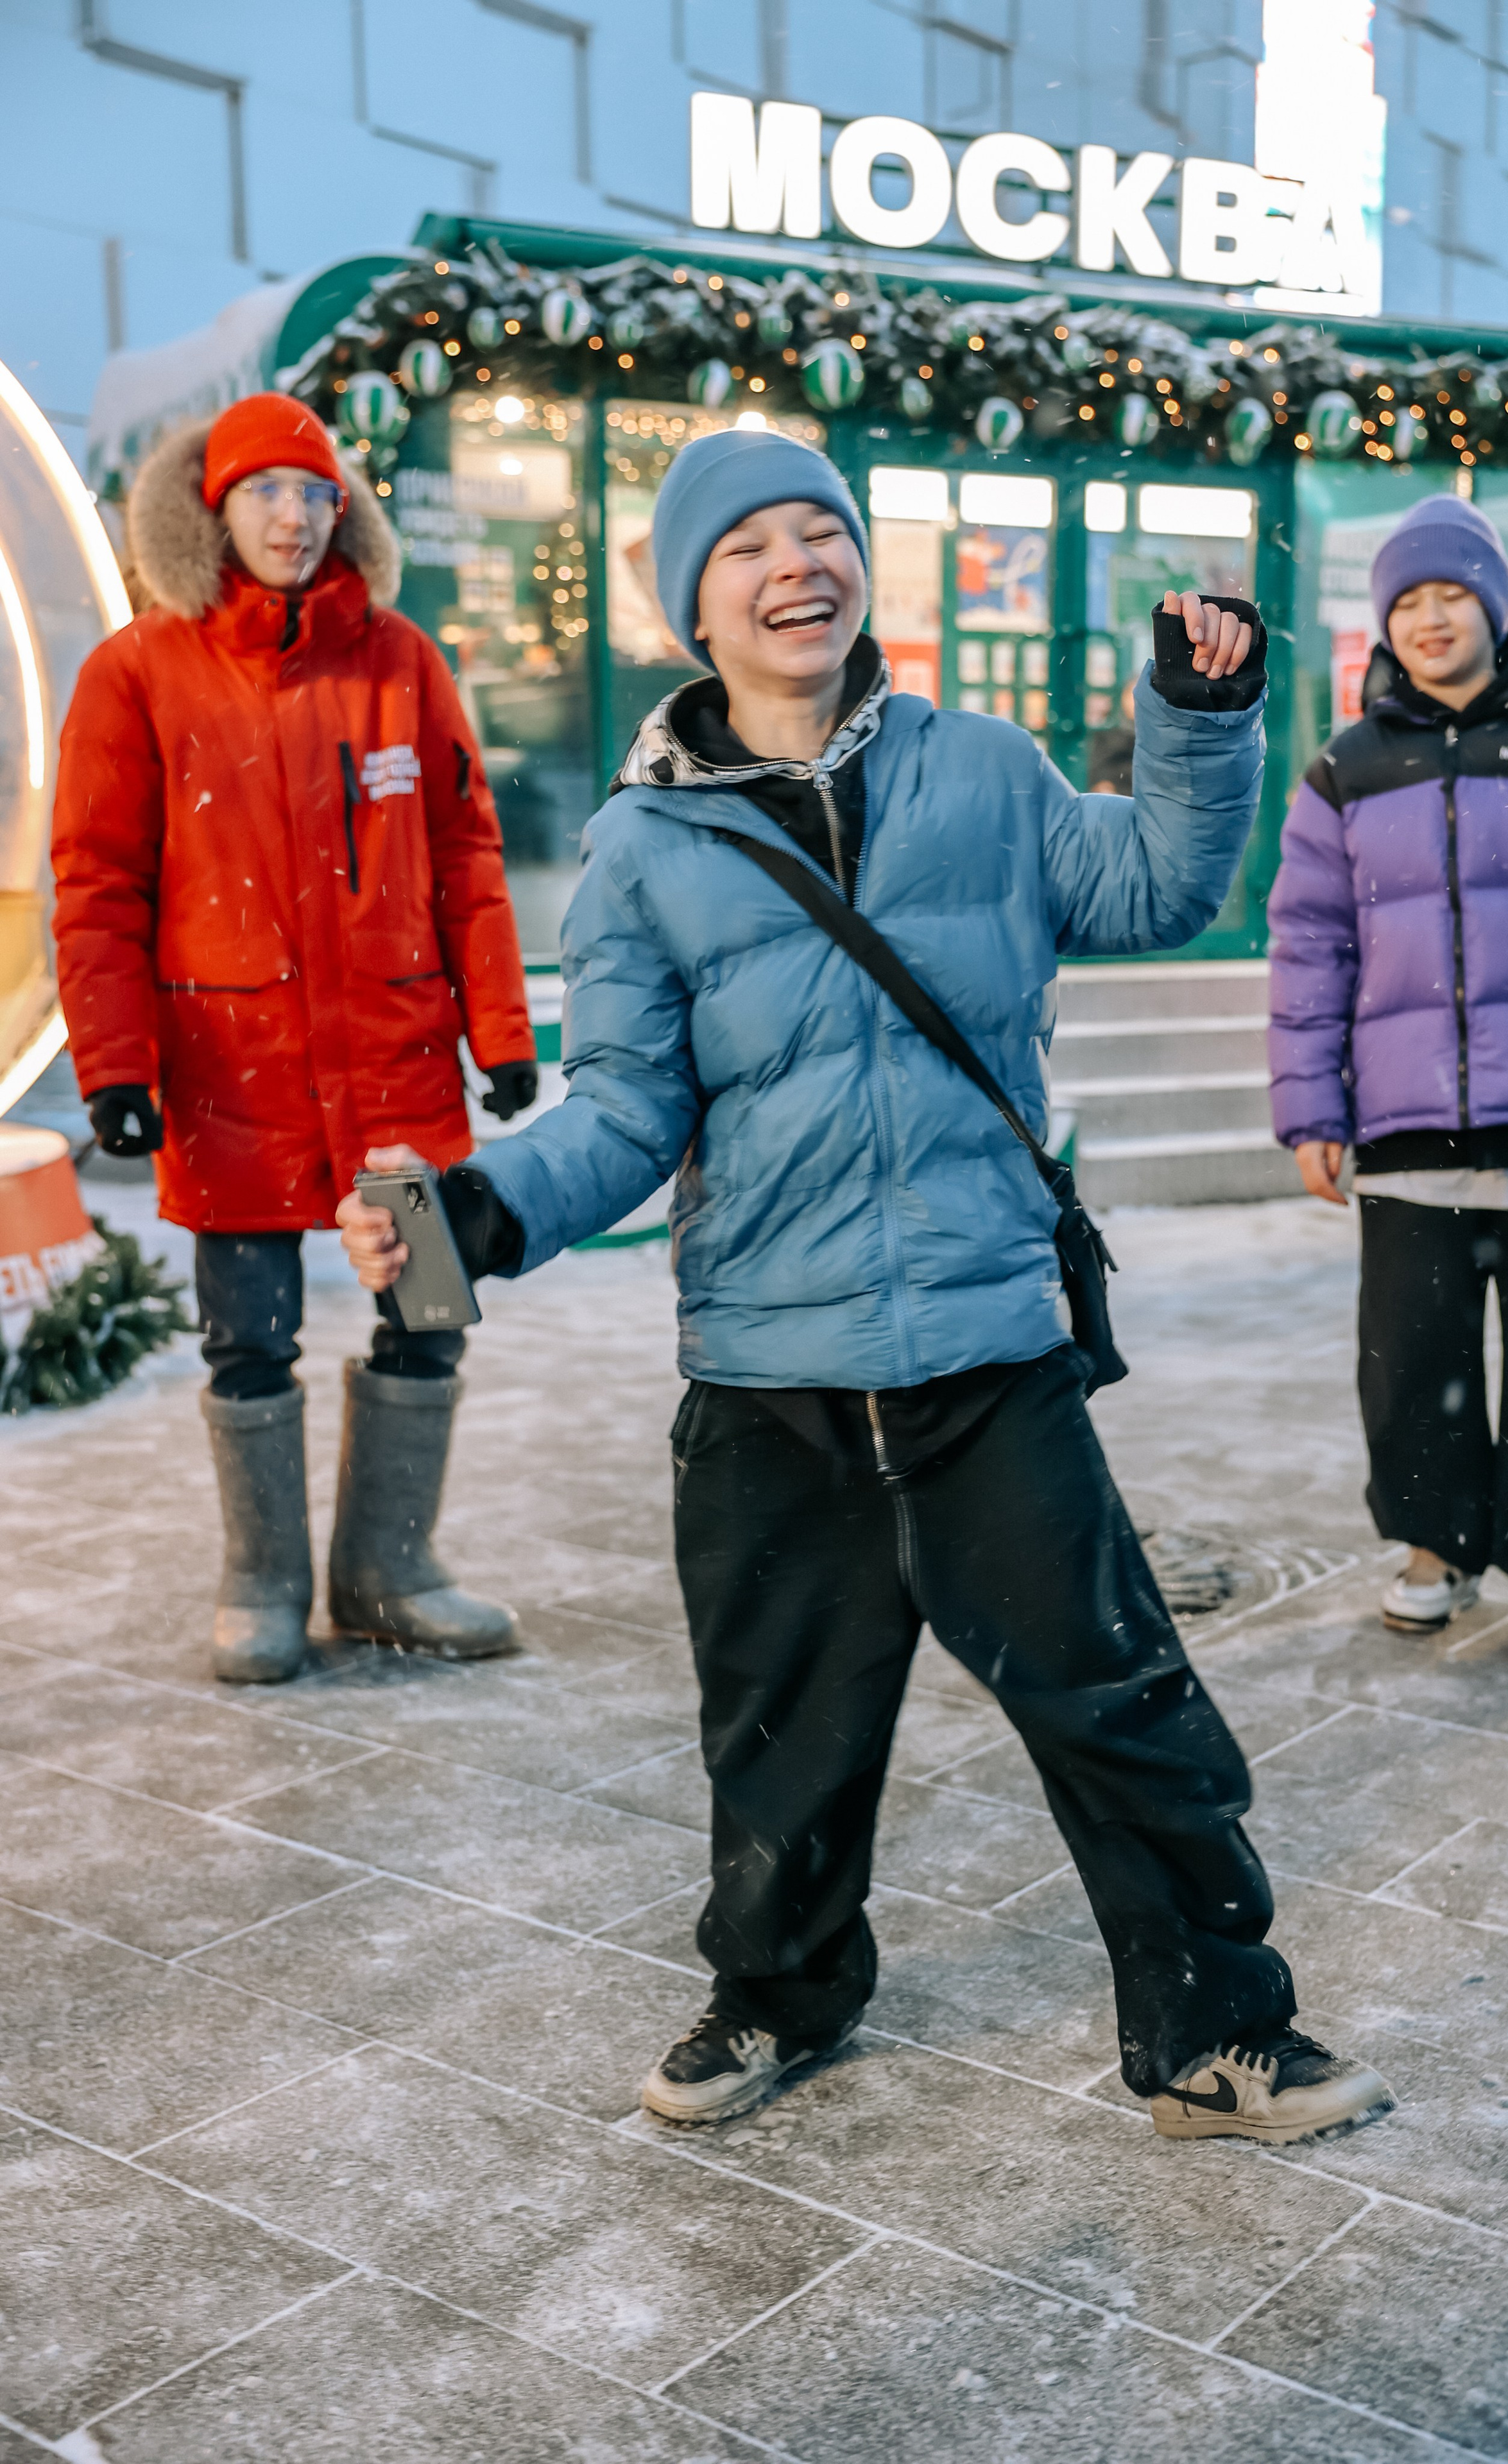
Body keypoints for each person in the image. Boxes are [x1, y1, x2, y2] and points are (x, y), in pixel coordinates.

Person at [341, 427, 1392, 2147]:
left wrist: (1200, 722)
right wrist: (476, 1209)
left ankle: (1216, 2029)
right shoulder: (642, 851)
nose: (795, 567)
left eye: (820, 531)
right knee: (782, 1728)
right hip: (772, 1365)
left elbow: (1157, 884)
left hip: (985, 1344)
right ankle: (783, 1992)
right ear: (696, 603)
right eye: (748, 545)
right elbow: (621, 1112)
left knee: (1120, 1701)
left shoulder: (981, 768)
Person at [52, 393, 538, 1686]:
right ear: (213, 515)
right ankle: (260, 1580)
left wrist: (499, 1028)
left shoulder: (401, 664)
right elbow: (99, 881)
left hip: (394, 1067)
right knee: (247, 1338)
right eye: (262, 493)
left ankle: (390, 1571)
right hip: (233, 1076)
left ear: (343, 514)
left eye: (312, 494)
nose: (289, 516)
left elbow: (462, 854)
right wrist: (114, 1067)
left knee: (432, 1307)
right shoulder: (136, 673)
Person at [1268, 492, 1508, 1658]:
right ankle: (1434, 1542)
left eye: (1452, 595)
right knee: (1413, 1358)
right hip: (1407, 1122)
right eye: (1410, 602)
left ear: (1494, 605)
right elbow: (1309, 951)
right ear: (1387, 623)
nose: (1433, 619)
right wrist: (1310, 1108)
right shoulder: (1346, 770)